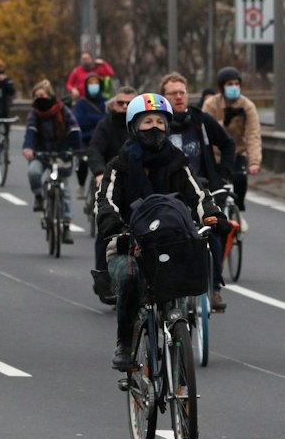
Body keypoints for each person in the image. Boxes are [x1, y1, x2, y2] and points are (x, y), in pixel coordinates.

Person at [98, 93, 216, 370]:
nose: (154, 127)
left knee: (194, 266)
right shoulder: (119, 165)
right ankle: (125, 344)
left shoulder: (178, 161)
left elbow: (199, 194)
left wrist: (210, 215)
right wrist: (114, 225)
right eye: (147, 121)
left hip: (171, 244)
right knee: (129, 278)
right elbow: (105, 201)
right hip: (129, 244)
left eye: (160, 122)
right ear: (133, 127)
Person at [161, 73, 236, 310]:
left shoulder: (201, 120)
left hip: (204, 189)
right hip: (171, 192)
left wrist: (222, 175)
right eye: (173, 93)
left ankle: (214, 288)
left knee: (214, 231)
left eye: (182, 92)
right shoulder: (158, 123)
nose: (179, 97)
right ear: (163, 97)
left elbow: (227, 143)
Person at [84, 85, 136, 302]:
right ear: (113, 104)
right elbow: (95, 148)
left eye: (129, 104)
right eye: (120, 103)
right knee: (106, 230)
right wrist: (98, 172)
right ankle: (104, 277)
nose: (124, 108)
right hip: (111, 183)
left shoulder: (142, 126)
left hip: (138, 186)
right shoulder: (105, 125)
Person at [22, 79, 82, 240]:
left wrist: (75, 149)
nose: (39, 98)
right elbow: (30, 132)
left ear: (49, 95)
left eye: (42, 95)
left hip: (62, 153)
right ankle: (39, 196)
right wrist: (28, 149)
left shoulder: (62, 110)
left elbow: (74, 129)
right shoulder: (34, 114)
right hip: (41, 153)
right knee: (33, 172)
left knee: (65, 190)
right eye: (36, 96)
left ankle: (67, 224)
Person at [201, 67, 263, 211]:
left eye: (236, 84)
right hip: (215, 155)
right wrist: (224, 123)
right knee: (217, 191)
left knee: (241, 179)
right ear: (222, 87)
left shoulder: (247, 106)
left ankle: (238, 209)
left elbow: (253, 134)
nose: (234, 87)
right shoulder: (211, 104)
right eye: (229, 84)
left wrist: (254, 162)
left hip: (237, 152)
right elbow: (204, 129)